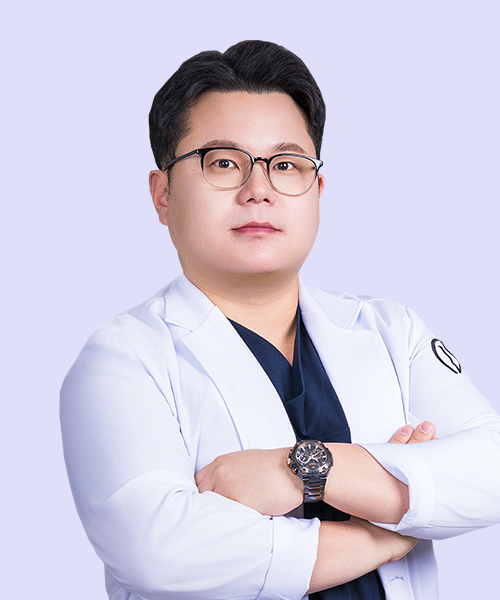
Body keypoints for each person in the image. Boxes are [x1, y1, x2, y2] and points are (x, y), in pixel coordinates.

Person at [60, 40, 500, 600]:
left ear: (317, 189)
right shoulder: (121, 360)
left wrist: (303, 469)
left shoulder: (392, 331)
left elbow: (492, 470)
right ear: (163, 193)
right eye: (223, 163)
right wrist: (391, 528)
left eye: (286, 165)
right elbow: (160, 552)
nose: (259, 190)